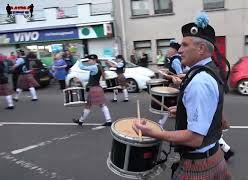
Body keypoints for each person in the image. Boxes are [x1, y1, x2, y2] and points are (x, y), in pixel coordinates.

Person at [133, 12, 232, 179]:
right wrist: (182, 110)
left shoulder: (200, 81)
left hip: (197, 167)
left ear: (201, 49)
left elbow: (194, 139)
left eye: (185, 45)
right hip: (213, 157)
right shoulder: (212, 70)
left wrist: (154, 133)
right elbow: (216, 115)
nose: (179, 50)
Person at [73, 54, 112, 127]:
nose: (88, 61)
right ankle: (108, 120)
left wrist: (79, 59)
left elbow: (82, 67)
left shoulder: (94, 67)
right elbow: (91, 78)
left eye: (89, 60)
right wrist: (80, 80)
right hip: (98, 88)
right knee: (100, 105)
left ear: (94, 60)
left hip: (94, 89)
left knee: (90, 105)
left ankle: (81, 121)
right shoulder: (99, 66)